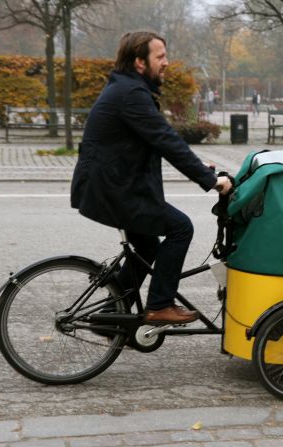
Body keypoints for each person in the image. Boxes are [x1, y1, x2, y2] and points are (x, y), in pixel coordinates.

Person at [70, 31, 232, 325]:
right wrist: (211, 181)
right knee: (180, 228)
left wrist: (203, 168)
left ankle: (112, 315)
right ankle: (159, 305)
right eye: (160, 57)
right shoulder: (132, 94)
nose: (167, 63)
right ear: (139, 62)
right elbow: (166, 141)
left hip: (110, 185)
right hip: (114, 189)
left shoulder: (127, 88)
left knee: (146, 247)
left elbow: (155, 141)